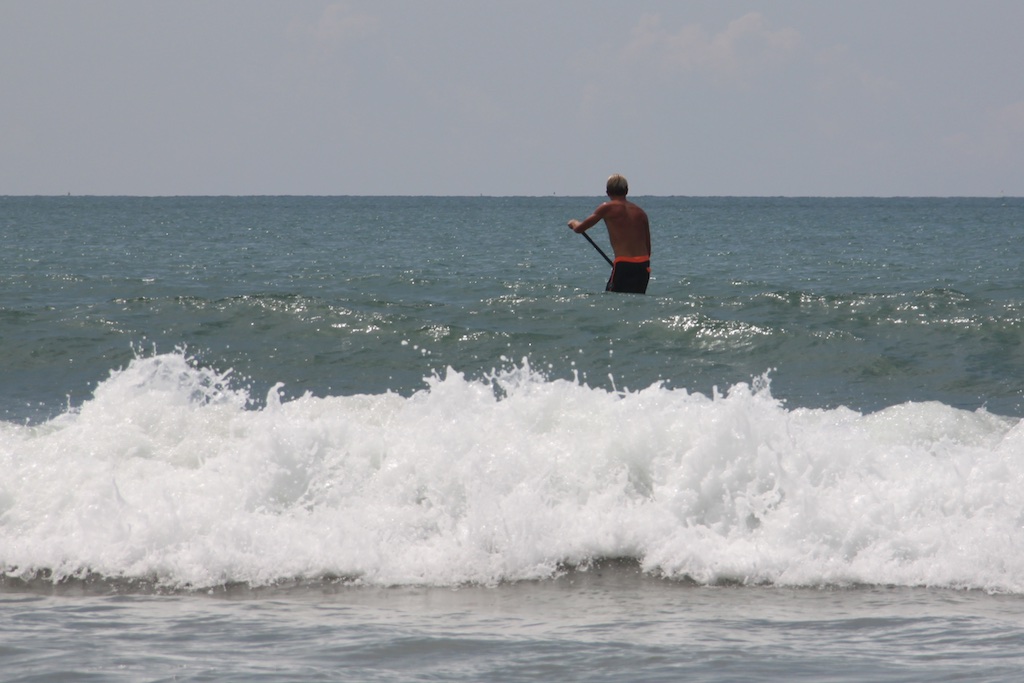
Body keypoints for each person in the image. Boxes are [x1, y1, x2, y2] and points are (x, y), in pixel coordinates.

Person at [567, 174, 651, 294]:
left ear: (607, 192)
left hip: (623, 263)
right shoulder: (641, 212)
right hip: (643, 264)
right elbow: (648, 248)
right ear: (627, 191)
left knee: (612, 300)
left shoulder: (606, 208)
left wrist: (573, 222)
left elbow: (580, 229)